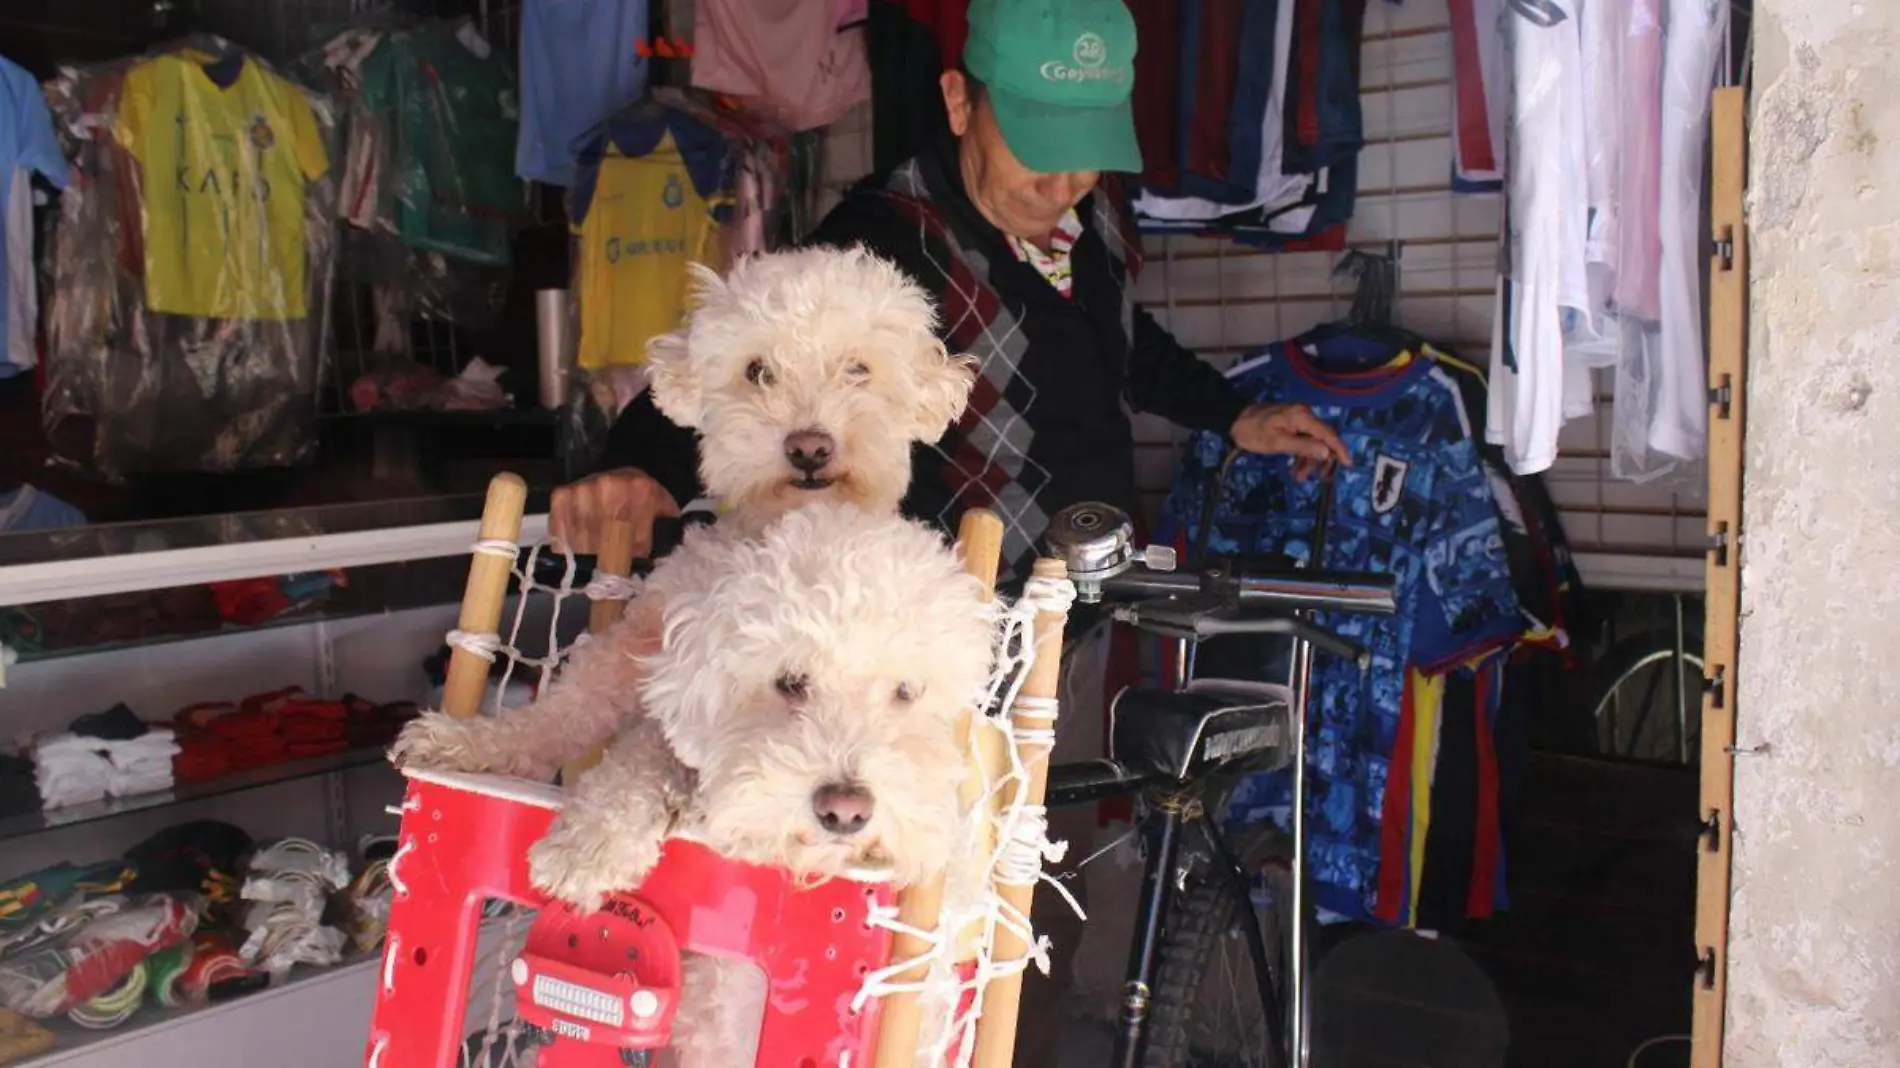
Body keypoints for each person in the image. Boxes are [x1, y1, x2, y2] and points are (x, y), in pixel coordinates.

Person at [550, 0, 1352, 1056]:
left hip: (1060, 613)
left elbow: (1125, 347)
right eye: (1041, 151)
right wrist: (631, 470)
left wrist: (1232, 415)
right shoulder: (880, 240)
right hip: (930, 647)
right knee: (906, 887)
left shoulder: (1087, 226)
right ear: (958, 101)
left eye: (1084, 157)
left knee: (1020, 879)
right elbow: (738, 355)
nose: (1062, 183)